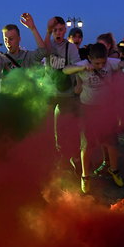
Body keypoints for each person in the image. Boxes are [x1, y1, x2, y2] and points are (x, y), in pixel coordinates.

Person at [63, 43, 124, 194]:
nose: (101, 65)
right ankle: (85, 176)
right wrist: (82, 68)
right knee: (87, 144)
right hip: (88, 109)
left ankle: (114, 170)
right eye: (97, 63)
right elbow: (66, 70)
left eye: (103, 62)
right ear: (90, 59)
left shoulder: (110, 63)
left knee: (111, 142)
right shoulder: (84, 64)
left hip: (106, 108)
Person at [45, 16, 81, 159]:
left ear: (65, 30)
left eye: (60, 30)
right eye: (55, 30)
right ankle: (53, 154)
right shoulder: (50, 45)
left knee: (64, 126)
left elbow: (77, 66)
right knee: (48, 126)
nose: (58, 33)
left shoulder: (70, 47)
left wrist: (79, 83)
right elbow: (43, 48)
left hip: (66, 92)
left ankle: (67, 154)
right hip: (50, 90)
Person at [0, 13, 48, 92]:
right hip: (8, 102)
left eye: (11, 39)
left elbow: (43, 52)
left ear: (19, 39)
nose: (8, 43)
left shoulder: (27, 56)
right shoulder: (0, 59)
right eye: (5, 40)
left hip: (27, 101)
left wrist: (33, 28)